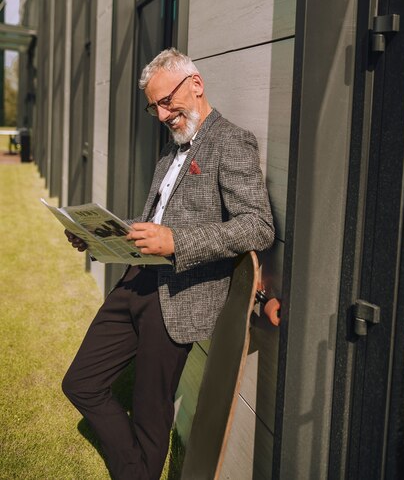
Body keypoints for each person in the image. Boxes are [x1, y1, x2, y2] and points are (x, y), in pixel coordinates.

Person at [62, 48, 275, 480]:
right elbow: (159, 221)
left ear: (195, 84)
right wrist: (100, 236)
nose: (161, 114)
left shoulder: (231, 141)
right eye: (154, 106)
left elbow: (258, 226)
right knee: (81, 382)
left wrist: (175, 241)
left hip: (179, 295)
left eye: (166, 101)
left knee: (149, 413)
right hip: (136, 280)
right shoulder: (171, 148)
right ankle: (134, 469)